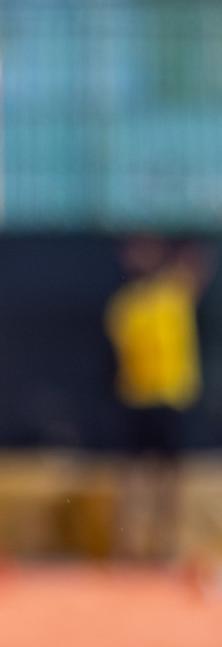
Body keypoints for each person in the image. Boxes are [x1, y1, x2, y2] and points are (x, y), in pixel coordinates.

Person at [104, 237, 211, 560]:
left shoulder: (173, 292)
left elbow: (198, 265)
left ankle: (167, 547)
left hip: (171, 398)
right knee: (134, 478)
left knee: (171, 479)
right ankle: (129, 547)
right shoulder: (125, 305)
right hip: (138, 399)